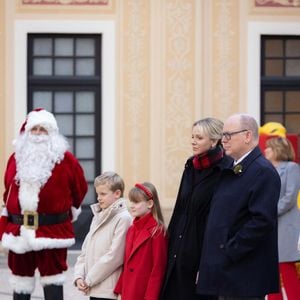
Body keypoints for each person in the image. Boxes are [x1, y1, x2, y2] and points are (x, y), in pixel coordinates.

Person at [0, 108, 88, 300]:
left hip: (52, 230)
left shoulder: (67, 161)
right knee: (20, 284)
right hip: (19, 230)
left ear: (52, 134)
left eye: (43, 129)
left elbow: (80, 188)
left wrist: (67, 210)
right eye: (35, 129)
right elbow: (7, 190)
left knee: (53, 282)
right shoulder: (15, 159)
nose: (38, 134)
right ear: (27, 132)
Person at [196, 113, 281, 300]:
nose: (223, 140)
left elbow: (261, 221)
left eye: (228, 135)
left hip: (243, 272)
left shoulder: (262, 171)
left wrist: (228, 250)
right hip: (226, 270)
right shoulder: (232, 167)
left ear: (247, 136)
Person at [160, 117, 232, 300]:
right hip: (178, 248)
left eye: (199, 138)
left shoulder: (226, 170)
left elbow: (220, 221)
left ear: (214, 141)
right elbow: (179, 209)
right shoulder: (190, 166)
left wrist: (208, 263)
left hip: (201, 251)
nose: (193, 141)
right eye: (192, 136)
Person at [73, 171, 132, 300]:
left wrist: (89, 279)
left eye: (103, 194)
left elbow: (115, 256)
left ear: (117, 193)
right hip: (94, 287)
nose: (98, 198)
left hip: (108, 290)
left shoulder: (123, 218)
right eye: (98, 194)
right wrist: (79, 276)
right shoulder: (98, 216)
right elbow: (85, 250)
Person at [114, 182, 168, 300]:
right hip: (128, 291)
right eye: (131, 201)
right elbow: (127, 264)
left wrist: (150, 297)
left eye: (136, 202)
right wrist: (120, 290)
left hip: (143, 292)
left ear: (150, 203)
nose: (132, 205)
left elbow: (158, 269)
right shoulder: (131, 229)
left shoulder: (157, 231)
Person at [264, 137, 300, 300]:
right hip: (270, 226)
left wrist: (267, 212)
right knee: (271, 269)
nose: (265, 151)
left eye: (269, 148)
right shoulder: (266, 169)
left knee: (285, 268)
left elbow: (289, 197)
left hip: (286, 226)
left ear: (278, 150)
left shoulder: (292, 168)